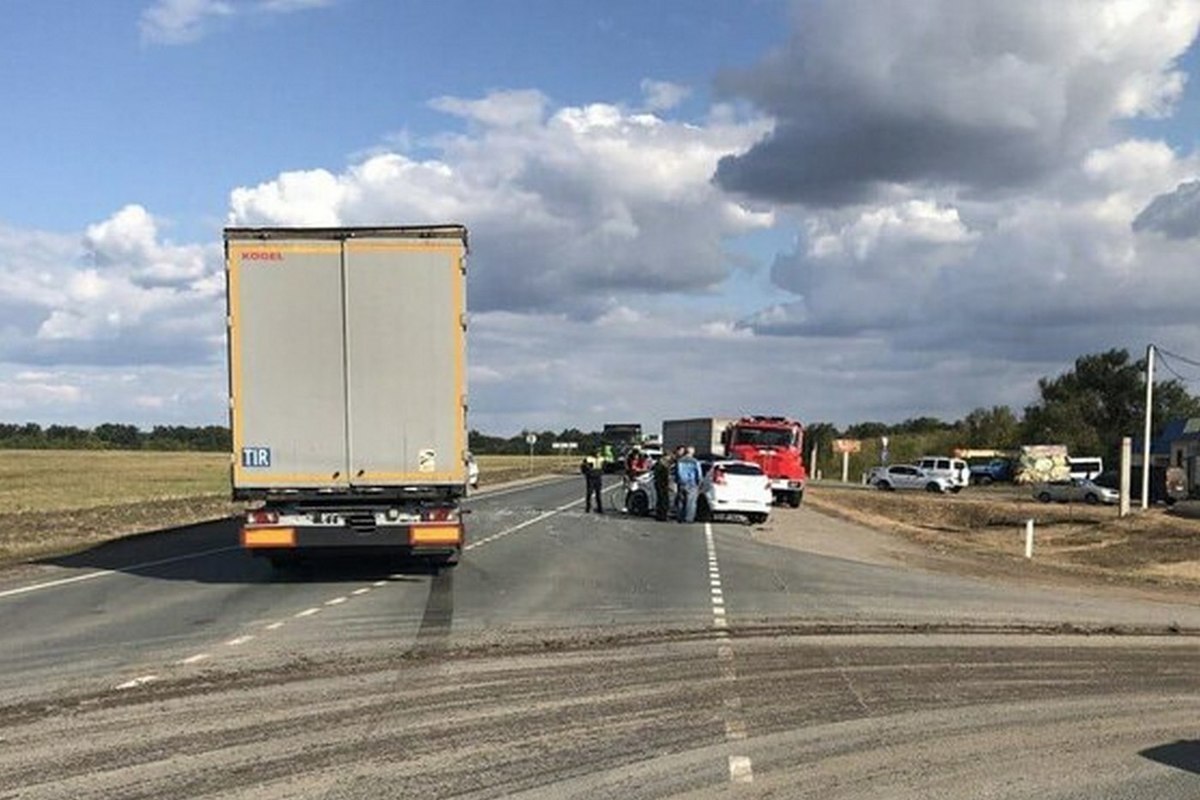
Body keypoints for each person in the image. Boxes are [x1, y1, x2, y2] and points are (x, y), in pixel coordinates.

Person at [675, 446, 703, 524]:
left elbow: (677, 472)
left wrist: (677, 481)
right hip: (692, 483)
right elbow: (699, 473)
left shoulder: (680, 461)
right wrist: (699, 482)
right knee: (691, 501)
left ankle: (680, 517)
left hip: (682, 483)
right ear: (692, 453)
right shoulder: (695, 461)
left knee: (681, 501)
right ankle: (689, 518)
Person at [580, 449, 605, 513]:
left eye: (599, 453)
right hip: (591, 478)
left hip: (598, 477)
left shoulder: (601, 459)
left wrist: (602, 471)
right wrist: (588, 472)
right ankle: (588, 507)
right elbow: (583, 467)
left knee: (598, 493)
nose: (598, 454)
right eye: (597, 453)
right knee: (589, 493)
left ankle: (600, 508)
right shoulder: (588, 459)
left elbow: (604, 466)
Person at [652, 451, 672, 521]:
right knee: (663, 500)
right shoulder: (661, 464)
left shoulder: (663, 463)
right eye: (669, 456)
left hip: (662, 484)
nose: (670, 458)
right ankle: (662, 515)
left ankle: (661, 515)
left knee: (662, 500)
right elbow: (659, 475)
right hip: (661, 484)